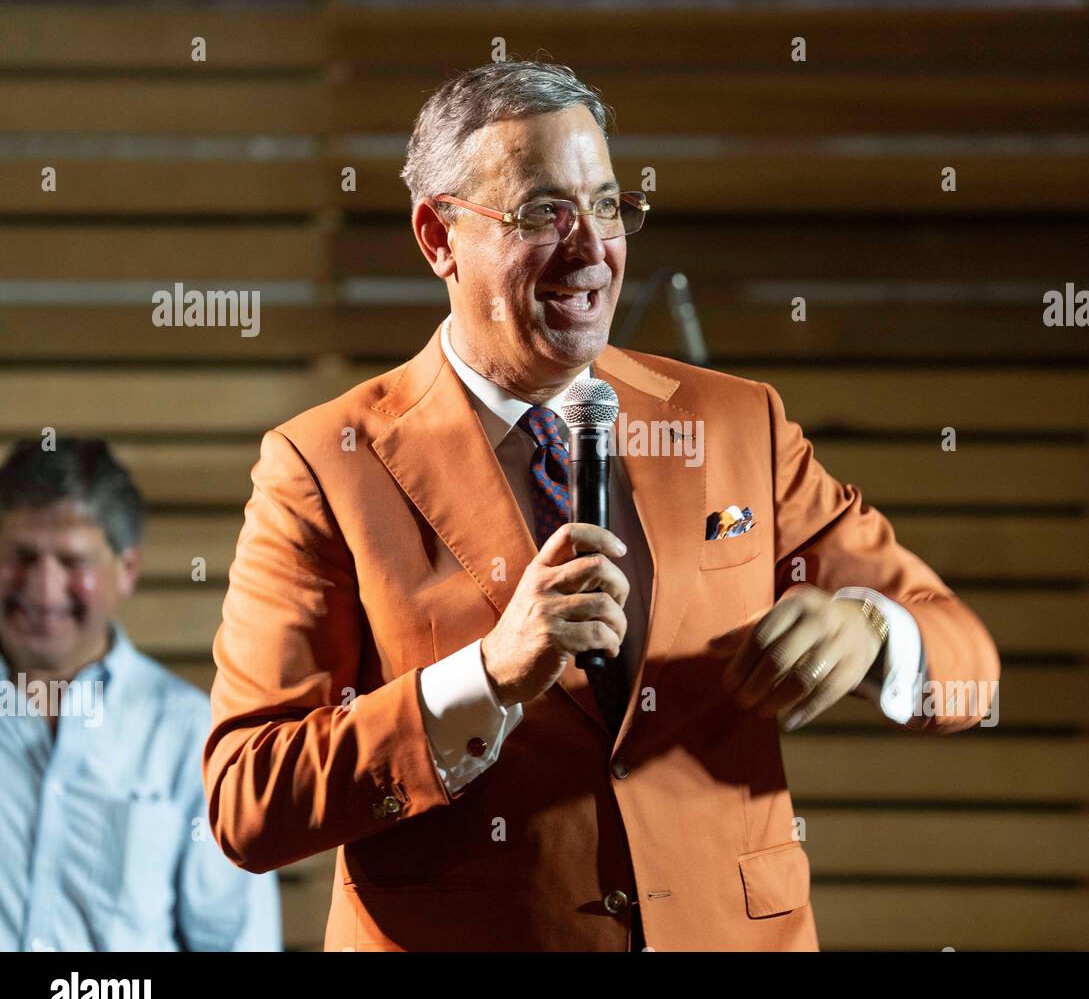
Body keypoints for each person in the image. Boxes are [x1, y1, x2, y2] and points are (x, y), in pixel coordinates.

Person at [205, 58, 999, 951]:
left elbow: (969, 667)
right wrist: (488, 676)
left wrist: (875, 630)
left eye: (611, 206)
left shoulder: (738, 421)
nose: (591, 249)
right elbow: (249, 800)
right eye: (545, 212)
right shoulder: (323, 465)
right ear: (439, 238)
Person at [0, 438, 281, 951]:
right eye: (21, 556)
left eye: (70, 560)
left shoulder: (193, 736)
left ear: (126, 570)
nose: (42, 588)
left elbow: (236, 943)